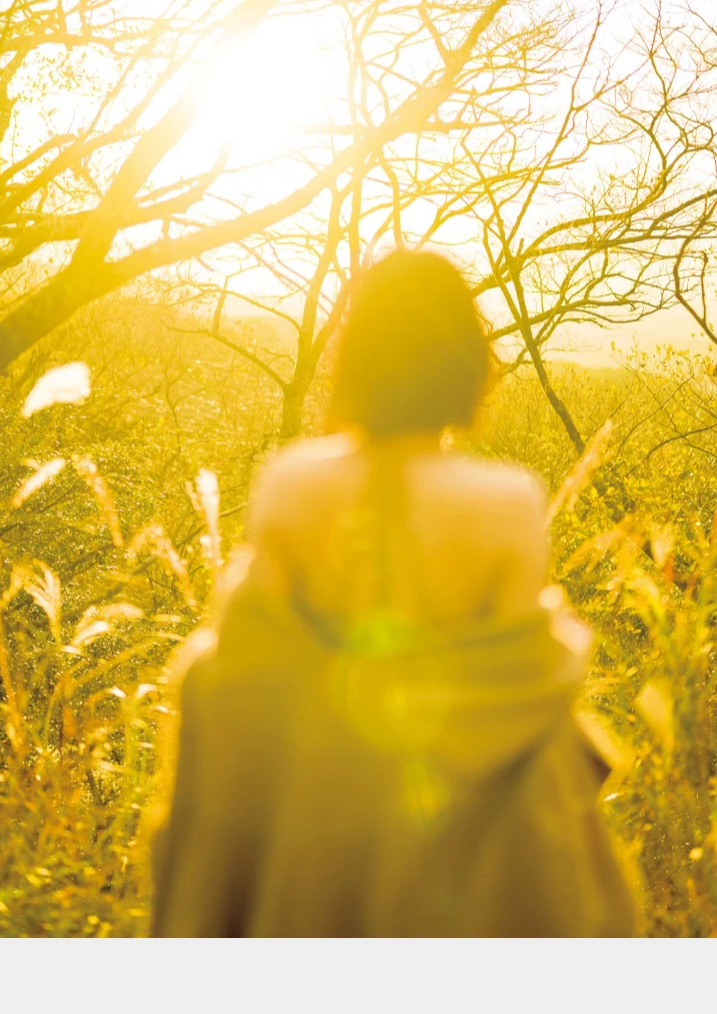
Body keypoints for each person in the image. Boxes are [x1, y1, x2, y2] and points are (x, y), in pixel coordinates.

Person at [151, 249, 635, 937]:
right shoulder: (507, 502)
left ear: (355, 360)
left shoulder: (291, 483)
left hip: (303, 824)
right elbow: (523, 687)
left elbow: (244, 670)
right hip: (458, 848)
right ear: (469, 367)